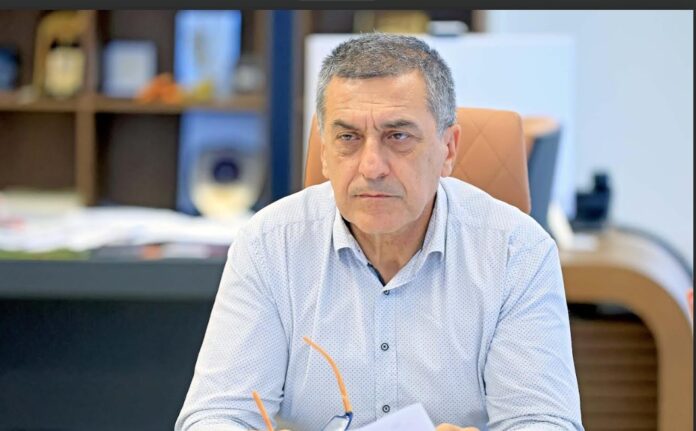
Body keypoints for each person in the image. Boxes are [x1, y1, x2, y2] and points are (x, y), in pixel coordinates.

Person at [175, 33, 583, 431]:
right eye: (348, 138)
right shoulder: (270, 244)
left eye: (398, 136)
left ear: (449, 148)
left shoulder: (516, 251)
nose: (372, 167)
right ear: (324, 152)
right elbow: (217, 413)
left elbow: (543, 421)